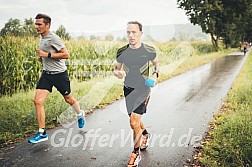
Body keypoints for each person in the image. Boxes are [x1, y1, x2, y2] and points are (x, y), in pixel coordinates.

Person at [28, 13, 85, 144]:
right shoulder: (42, 37)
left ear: (47, 25)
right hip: (47, 74)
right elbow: (48, 55)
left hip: (59, 75)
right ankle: (42, 133)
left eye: (39, 24)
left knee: (69, 99)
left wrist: (46, 54)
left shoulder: (54, 38)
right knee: (37, 101)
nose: (36, 26)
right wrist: (42, 58)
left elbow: (66, 55)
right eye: (35, 24)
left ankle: (80, 114)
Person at [114, 21, 159, 167]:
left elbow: (156, 66)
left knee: (133, 122)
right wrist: (118, 73)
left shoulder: (149, 50)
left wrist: (154, 76)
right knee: (135, 121)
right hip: (128, 89)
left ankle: (136, 153)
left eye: (134, 32)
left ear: (141, 33)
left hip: (143, 89)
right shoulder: (122, 51)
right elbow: (116, 69)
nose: (131, 35)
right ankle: (145, 134)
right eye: (128, 32)